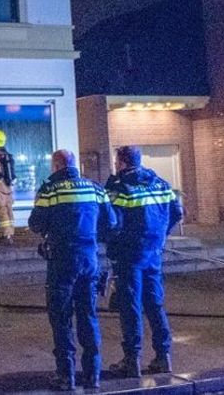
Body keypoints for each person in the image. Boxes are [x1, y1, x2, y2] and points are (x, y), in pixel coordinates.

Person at [28, 149, 116, 391]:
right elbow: (111, 223)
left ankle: (66, 375)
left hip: (62, 261)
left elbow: (35, 223)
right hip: (89, 260)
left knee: (61, 318)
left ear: (57, 165)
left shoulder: (51, 190)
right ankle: (93, 375)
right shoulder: (96, 189)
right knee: (88, 316)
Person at [105, 145, 184, 378]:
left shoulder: (121, 188)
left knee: (131, 308)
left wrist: (109, 242)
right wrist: (160, 236)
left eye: (116, 161)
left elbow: (112, 223)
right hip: (153, 254)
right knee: (155, 305)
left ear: (121, 162)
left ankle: (132, 360)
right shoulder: (160, 182)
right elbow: (177, 213)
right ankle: (163, 357)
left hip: (129, 256)